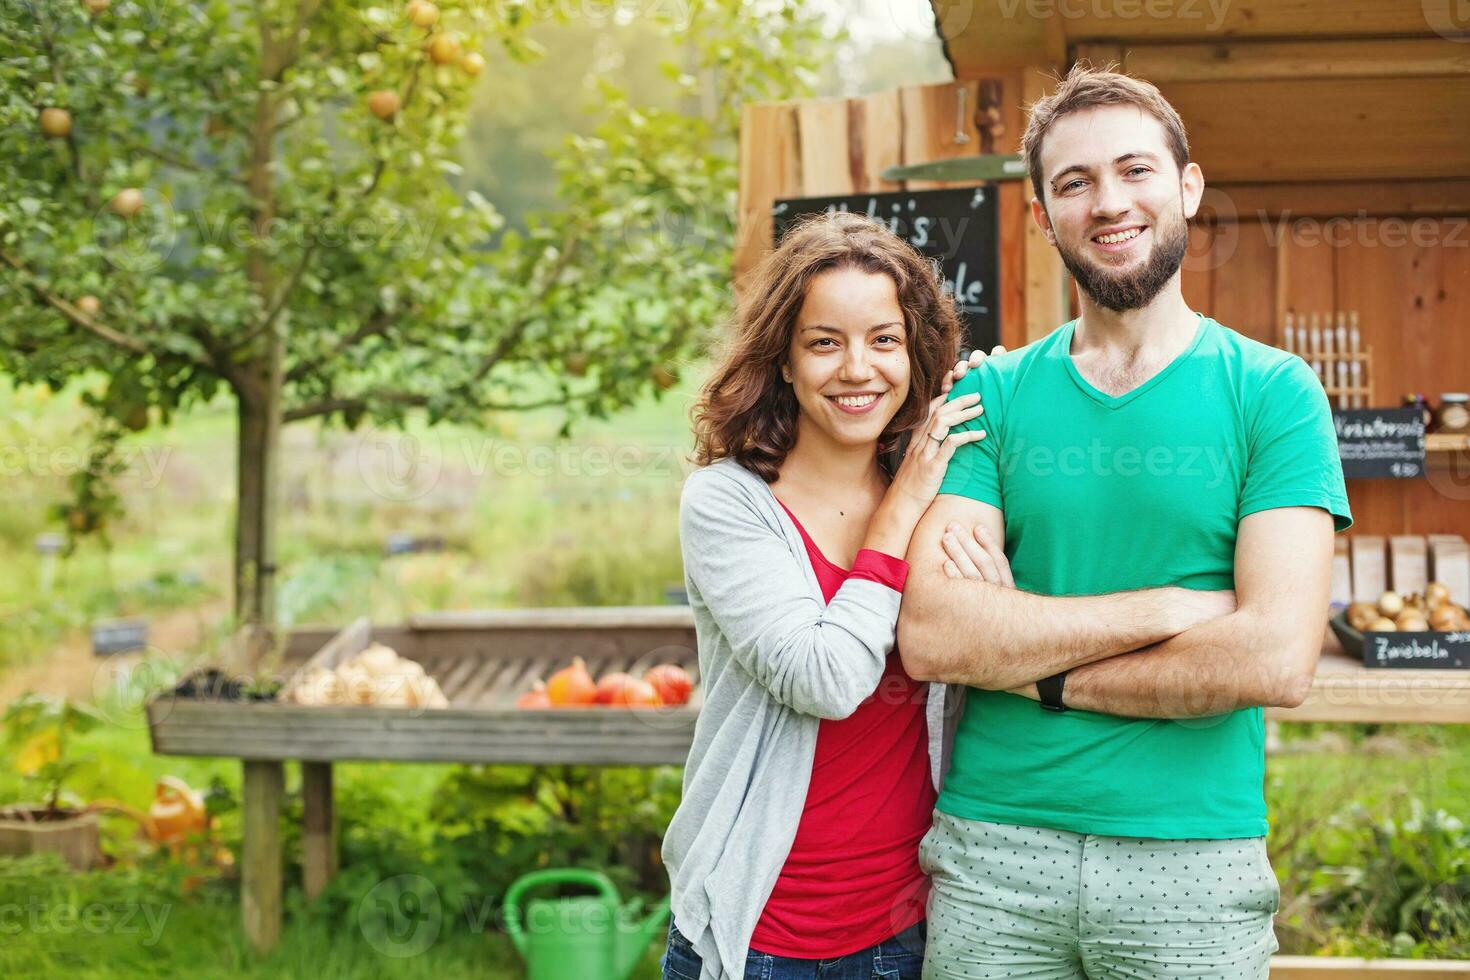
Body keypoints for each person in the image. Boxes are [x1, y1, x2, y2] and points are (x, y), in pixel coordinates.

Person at [897, 64, 1352, 979]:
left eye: (1135, 170)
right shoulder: (991, 393)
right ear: (1042, 215)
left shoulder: (1273, 394)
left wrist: (1038, 670)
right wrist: (1172, 609)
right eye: (1075, 182)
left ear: (1186, 185)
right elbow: (939, 633)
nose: (1109, 202)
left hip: (1191, 862)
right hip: (994, 855)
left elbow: (1273, 659)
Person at [661, 210, 1003, 980]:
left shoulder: (943, 490)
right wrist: (901, 508)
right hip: (759, 932)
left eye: (885, 340)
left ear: (915, 356)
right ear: (783, 360)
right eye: (825, 342)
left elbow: (991, 631)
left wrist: (1009, 394)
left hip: (904, 931)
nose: (858, 369)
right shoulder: (729, 503)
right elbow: (825, 678)